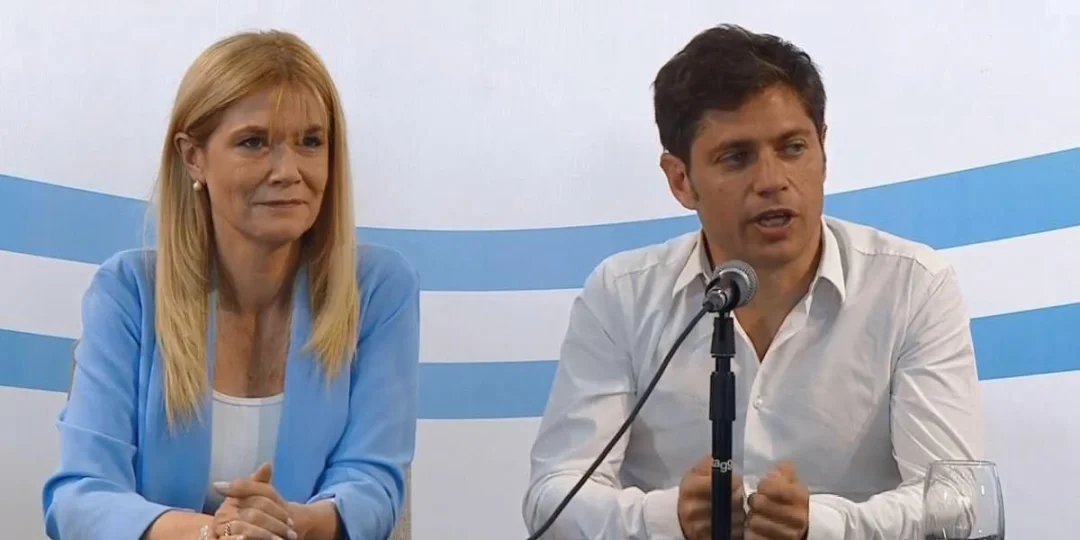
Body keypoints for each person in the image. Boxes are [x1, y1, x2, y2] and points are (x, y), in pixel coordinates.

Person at [522, 24, 984, 540]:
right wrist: (664, 518)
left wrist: (823, 526)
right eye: (736, 157)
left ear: (823, 150)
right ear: (680, 180)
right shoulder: (622, 295)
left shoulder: (913, 286)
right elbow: (552, 497)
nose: (772, 180)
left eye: (793, 148)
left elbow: (956, 501)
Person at [41, 30, 419, 540]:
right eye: (254, 142)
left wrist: (283, 525)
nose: (288, 171)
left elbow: (373, 485)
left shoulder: (378, 288)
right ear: (193, 156)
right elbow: (79, 498)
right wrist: (215, 533)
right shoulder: (127, 292)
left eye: (311, 142)